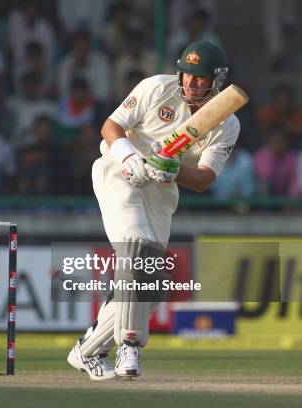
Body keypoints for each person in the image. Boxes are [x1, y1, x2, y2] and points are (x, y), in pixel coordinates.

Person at [67, 41, 240, 380]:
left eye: (200, 77)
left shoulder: (226, 123)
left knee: (151, 283)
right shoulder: (156, 87)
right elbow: (110, 126)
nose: (190, 82)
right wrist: (130, 157)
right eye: (187, 74)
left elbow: (204, 179)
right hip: (120, 172)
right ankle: (130, 346)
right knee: (136, 247)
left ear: (216, 80)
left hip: (161, 190)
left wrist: (174, 171)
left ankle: (86, 351)